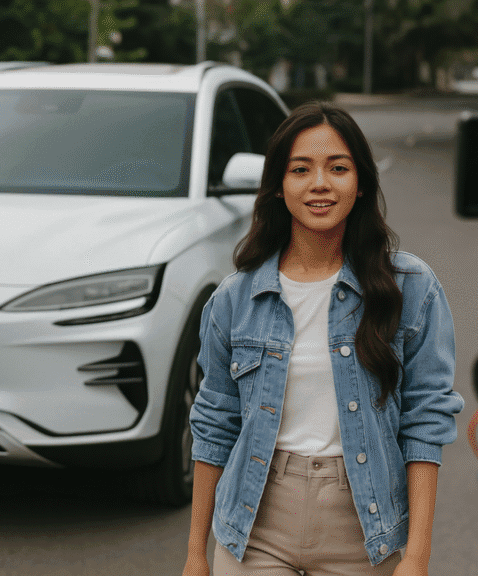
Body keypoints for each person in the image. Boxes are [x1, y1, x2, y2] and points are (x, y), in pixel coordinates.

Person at [183, 101, 463, 576]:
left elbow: (426, 421)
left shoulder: (410, 288)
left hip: (364, 526)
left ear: (360, 185)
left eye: (338, 168)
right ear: (278, 187)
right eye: (300, 169)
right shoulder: (237, 298)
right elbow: (215, 423)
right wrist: (194, 555)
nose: (319, 184)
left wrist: (417, 554)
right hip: (255, 521)